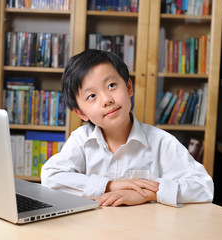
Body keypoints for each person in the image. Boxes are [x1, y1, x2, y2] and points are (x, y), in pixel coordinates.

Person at [41, 49, 213, 207]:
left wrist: (149, 193)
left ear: (129, 87)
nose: (106, 99)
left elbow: (203, 186)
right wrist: (109, 186)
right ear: (81, 113)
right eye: (92, 96)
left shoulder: (161, 142)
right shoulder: (81, 140)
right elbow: (50, 177)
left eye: (111, 86)